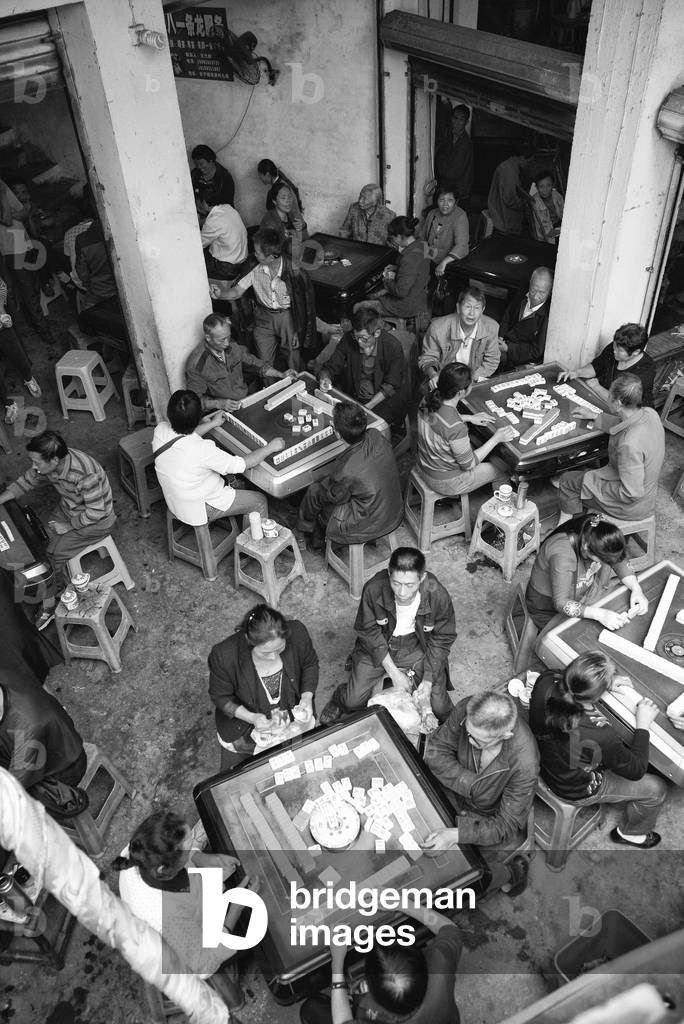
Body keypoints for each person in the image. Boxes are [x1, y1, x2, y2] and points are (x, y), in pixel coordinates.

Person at [529, 651, 667, 848]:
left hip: (542, 757)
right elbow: (636, 770)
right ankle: (631, 833)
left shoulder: (547, 679)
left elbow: (570, 683)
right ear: (596, 693)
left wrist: (602, 685)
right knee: (657, 788)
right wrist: (643, 725)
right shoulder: (601, 733)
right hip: (573, 787)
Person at [114, 809, 250, 1007]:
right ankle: (234, 1001)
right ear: (164, 870)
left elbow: (184, 860)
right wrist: (236, 908)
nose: (192, 847)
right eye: (186, 850)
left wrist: (202, 859)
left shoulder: (142, 849)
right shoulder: (165, 917)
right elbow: (204, 965)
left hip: (184, 913)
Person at [320, 547, 456, 725]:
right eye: (396, 583)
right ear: (389, 574)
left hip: (417, 646)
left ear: (422, 578)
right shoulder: (374, 589)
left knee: (439, 707)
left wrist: (428, 679)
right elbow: (368, 631)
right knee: (352, 701)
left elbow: (443, 638)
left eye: (410, 585)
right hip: (380, 644)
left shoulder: (437, 595)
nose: (402, 592)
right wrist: (394, 672)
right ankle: (339, 697)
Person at [422, 691, 538, 896]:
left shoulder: (525, 763)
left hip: (485, 816)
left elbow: (506, 825)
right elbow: (436, 750)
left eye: (477, 741)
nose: (468, 740)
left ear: (505, 735)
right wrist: (472, 784)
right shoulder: (468, 709)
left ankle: (511, 872)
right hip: (451, 789)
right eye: (467, 732)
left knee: (458, 885)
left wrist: (455, 835)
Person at [0, 431, 116, 630]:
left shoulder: (84, 474)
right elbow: (26, 481)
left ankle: (50, 604)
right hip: (70, 508)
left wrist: (68, 526)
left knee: (51, 556)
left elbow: (97, 512)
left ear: (54, 460)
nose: (34, 467)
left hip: (97, 521)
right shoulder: (50, 465)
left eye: (37, 462)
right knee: (39, 544)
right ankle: (47, 585)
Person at [300, 903, 463, 1024]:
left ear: (368, 987)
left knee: (311, 1008)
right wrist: (401, 902)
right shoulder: (440, 964)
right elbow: (449, 928)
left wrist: (337, 962)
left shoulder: (370, 1016)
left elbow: (342, 1021)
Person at [153, 389, 283, 531]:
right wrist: (270, 447)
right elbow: (243, 464)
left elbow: (183, 438)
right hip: (201, 507)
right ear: (198, 417)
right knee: (259, 501)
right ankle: (251, 548)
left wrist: (212, 424)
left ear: (169, 413)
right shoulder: (203, 449)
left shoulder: (160, 430)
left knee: (230, 478)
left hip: (175, 500)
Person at [208, 604, 319, 769]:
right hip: (247, 720)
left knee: (290, 758)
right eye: (265, 653)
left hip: (286, 709)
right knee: (241, 771)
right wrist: (252, 717)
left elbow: (310, 664)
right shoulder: (224, 655)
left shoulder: (298, 633)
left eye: (280, 648)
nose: (274, 656)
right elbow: (221, 697)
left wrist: (306, 697)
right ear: (249, 641)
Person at [556, 374, 665, 524]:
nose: (607, 397)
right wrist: (596, 416)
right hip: (647, 494)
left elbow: (631, 493)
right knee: (584, 476)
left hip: (630, 506)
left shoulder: (629, 445)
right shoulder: (650, 413)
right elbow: (624, 423)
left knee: (568, 481)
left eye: (610, 395)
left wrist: (592, 483)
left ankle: (567, 530)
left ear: (618, 403)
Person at [297, 400, 403, 552]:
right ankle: (306, 530)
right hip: (392, 509)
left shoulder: (346, 471)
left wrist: (325, 483)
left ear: (338, 433)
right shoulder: (376, 435)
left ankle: (303, 531)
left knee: (315, 491)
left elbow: (335, 496)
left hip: (367, 523)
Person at [524, 514, 649, 632]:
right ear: (586, 549)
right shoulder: (562, 555)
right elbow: (561, 603)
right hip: (547, 606)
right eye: (604, 560)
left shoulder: (597, 530)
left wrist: (636, 588)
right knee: (579, 636)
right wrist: (599, 614)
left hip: (582, 594)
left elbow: (617, 558)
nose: (610, 563)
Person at [416, 363, 517, 498]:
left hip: (424, 465)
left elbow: (436, 421)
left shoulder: (427, 399)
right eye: (471, 383)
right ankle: (501, 511)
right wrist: (496, 439)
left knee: (478, 444)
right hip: (447, 481)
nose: (472, 385)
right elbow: (469, 465)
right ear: (461, 392)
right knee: (503, 467)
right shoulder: (455, 427)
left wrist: (468, 418)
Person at [222, 228, 316, 371]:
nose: (255, 254)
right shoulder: (253, 266)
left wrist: (298, 330)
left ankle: (296, 387)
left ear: (271, 257)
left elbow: (304, 305)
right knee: (264, 362)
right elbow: (236, 292)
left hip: (288, 317)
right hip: (262, 316)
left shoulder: (295, 272)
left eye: (258, 252)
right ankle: (271, 390)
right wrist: (219, 294)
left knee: (292, 356)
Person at [0, 674, 87, 818]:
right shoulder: (5, 675)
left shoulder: (28, 726)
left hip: (64, 767)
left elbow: (13, 788)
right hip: (31, 751)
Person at [318, 307, 406, 430]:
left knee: (368, 429)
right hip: (355, 395)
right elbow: (331, 366)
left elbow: (390, 385)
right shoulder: (349, 339)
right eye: (356, 337)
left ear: (377, 333)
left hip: (382, 400)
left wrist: (367, 407)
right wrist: (325, 378)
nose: (359, 342)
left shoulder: (392, 346)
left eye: (364, 338)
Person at [185, 312, 289, 412]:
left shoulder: (233, 346)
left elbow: (254, 363)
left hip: (244, 400)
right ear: (208, 338)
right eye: (222, 340)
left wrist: (280, 374)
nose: (226, 343)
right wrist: (218, 404)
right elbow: (194, 401)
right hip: (220, 411)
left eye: (228, 337)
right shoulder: (197, 364)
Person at [0, 177, 57, 347]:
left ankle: (39, 324)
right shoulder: (3, 193)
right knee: (27, 292)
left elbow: (25, 212)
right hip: (12, 250)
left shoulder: (6, 192)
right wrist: (2, 194)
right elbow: (8, 219)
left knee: (33, 287)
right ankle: (44, 331)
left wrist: (12, 209)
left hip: (22, 243)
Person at [558, 323, 656, 409]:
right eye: (614, 346)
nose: (614, 351)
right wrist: (577, 372)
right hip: (601, 399)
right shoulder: (616, 347)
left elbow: (620, 404)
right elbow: (597, 366)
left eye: (619, 351)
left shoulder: (645, 370)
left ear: (636, 352)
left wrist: (596, 386)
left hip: (629, 415)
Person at [419, 286, 500, 386]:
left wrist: (470, 380)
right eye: (467, 306)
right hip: (444, 378)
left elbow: (492, 361)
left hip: (473, 380)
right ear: (458, 307)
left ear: (482, 310)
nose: (472, 313)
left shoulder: (491, 328)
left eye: (477, 308)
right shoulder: (438, 328)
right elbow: (427, 358)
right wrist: (434, 375)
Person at [355, 216, 430, 321]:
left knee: (359, 306)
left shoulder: (408, 259)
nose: (393, 241)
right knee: (373, 295)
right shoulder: (422, 244)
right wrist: (398, 267)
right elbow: (418, 267)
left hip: (406, 305)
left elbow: (400, 292)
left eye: (393, 238)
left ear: (399, 236)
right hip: (419, 297)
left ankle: (385, 328)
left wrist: (387, 280)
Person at [0, 275, 41, 425]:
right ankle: (9, 403)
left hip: (1, 325)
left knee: (18, 355)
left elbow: (1, 286)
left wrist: (1, 312)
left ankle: (28, 378)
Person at [497, 267, 554, 369]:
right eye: (533, 290)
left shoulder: (546, 316)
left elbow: (537, 351)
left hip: (521, 360)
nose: (536, 296)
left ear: (549, 291)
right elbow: (507, 316)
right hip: (503, 345)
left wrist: (508, 348)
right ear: (530, 283)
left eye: (542, 292)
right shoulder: (521, 296)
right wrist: (500, 336)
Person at [417, 185, 469, 276]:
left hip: (449, 261)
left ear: (456, 202)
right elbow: (422, 237)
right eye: (441, 200)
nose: (445, 204)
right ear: (437, 201)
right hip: (430, 256)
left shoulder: (460, 216)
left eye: (450, 200)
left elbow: (462, 245)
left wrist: (444, 262)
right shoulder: (432, 213)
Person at [198, 198, 248, 281]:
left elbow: (199, 244)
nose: (198, 205)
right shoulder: (228, 208)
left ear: (205, 203)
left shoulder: (214, 221)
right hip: (239, 260)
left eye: (199, 202)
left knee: (193, 261)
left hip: (227, 269)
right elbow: (213, 222)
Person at [487, 149, 534, 235]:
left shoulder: (506, 165)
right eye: (528, 162)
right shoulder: (510, 173)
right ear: (523, 158)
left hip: (497, 212)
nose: (528, 166)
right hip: (503, 221)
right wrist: (526, 204)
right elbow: (510, 199)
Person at [434, 103, 473, 205]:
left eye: (461, 120)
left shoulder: (465, 144)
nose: (457, 122)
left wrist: (440, 162)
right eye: (455, 118)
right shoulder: (448, 138)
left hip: (459, 193)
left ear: (466, 122)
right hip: (448, 189)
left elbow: (452, 173)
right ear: (451, 119)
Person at [260, 183, 308, 259]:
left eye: (289, 196)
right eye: (283, 198)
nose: (288, 201)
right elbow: (271, 253)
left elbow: (305, 240)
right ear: (274, 201)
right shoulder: (269, 222)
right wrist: (289, 237)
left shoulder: (291, 215)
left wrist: (302, 227)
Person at [190, 144, 235, 208]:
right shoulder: (194, 175)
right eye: (196, 164)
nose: (198, 167)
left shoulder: (225, 178)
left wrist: (209, 209)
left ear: (210, 160)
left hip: (219, 215)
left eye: (201, 164)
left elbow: (228, 206)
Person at [529, 170, 564, 245]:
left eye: (548, 185)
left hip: (559, 226)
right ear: (536, 187)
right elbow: (541, 230)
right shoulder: (535, 203)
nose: (545, 190)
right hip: (547, 233)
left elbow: (564, 214)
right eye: (541, 186)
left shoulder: (557, 196)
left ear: (552, 185)